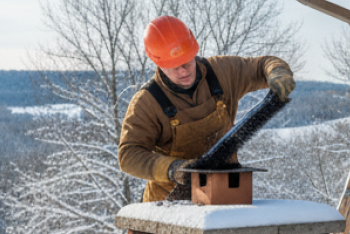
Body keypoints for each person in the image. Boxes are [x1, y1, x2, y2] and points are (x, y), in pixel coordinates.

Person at [118, 15, 295, 202]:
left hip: (222, 194)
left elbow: (262, 65)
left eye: (187, 61)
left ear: (193, 50)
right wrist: (174, 169)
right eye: (174, 67)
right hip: (168, 205)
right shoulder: (147, 102)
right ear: (159, 64)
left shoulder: (222, 72)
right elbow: (128, 155)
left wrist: (277, 72)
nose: (183, 71)